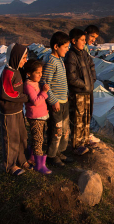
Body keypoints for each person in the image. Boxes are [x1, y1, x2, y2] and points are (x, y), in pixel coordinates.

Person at [0, 43, 31, 176]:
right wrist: (25, 97)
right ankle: (10, 165)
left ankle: (21, 160)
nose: (25, 60)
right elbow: (6, 92)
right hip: (9, 112)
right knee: (11, 138)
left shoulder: (17, 71)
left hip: (18, 110)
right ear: (16, 57)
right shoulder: (8, 72)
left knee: (22, 136)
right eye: (23, 58)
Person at [41, 31, 73, 167]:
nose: (67, 49)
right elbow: (44, 83)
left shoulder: (59, 60)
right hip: (56, 103)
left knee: (65, 128)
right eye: (65, 47)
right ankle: (52, 155)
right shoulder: (50, 61)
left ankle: (60, 151)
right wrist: (53, 100)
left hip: (63, 100)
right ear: (56, 46)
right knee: (56, 129)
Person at [64, 28, 96, 155]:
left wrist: (92, 80)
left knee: (86, 117)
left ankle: (84, 140)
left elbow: (92, 66)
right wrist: (84, 85)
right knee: (78, 118)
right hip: (78, 93)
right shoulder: (71, 55)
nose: (84, 42)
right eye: (82, 40)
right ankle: (76, 145)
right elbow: (71, 77)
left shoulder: (83, 53)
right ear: (73, 41)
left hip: (87, 90)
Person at [23, 59, 52, 174]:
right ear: (29, 74)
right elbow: (35, 101)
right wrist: (44, 92)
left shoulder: (34, 83)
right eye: (37, 73)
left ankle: (32, 157)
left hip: (41, 116)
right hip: (35, 117)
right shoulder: (28, 85)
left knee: (37, 138)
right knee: (38, 139)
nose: (40, 75)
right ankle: (39, 165)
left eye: (41, 72)